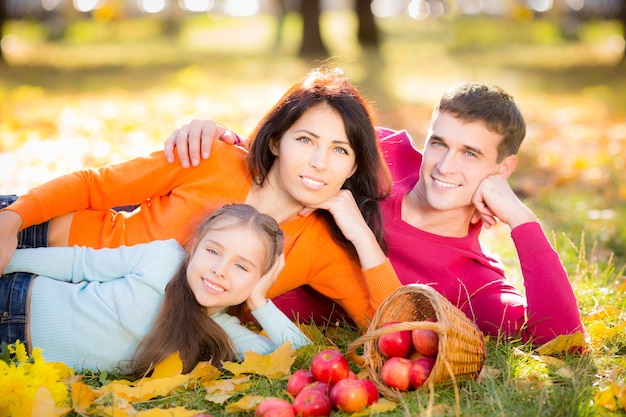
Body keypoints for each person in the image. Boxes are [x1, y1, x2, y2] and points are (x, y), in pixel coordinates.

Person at [163, 82, 585, 346]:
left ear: (501, 170)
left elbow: (562, 337)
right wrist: (222, 136)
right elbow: (292, 150)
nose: (443, 166)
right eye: (438, 143)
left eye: (470, 154)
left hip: (208, 300)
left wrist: (520, 219)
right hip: (176, 228)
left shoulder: (474, 281)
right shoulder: (386, 153)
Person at [0, 66, 401, 330]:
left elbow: (396, 329)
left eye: (340, 150)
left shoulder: (318, 247)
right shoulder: (212, 158)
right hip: (34, 235)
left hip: (66, 308)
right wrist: (14, 219)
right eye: (306, 140)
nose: (318, 163)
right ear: (277, 141)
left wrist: (363, 240)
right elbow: (93, 186)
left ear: (352, 168)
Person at [0, 203, 312, 374]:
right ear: (195, 247)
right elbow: (77, 264)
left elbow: (302, 356)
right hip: (18, 297)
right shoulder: (163, 257)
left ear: (260, 277)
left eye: (242, 266)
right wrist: (8, 262)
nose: (219, 269)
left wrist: (259, 300)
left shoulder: (223, 332)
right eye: (213, 251)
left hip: (17, 349)